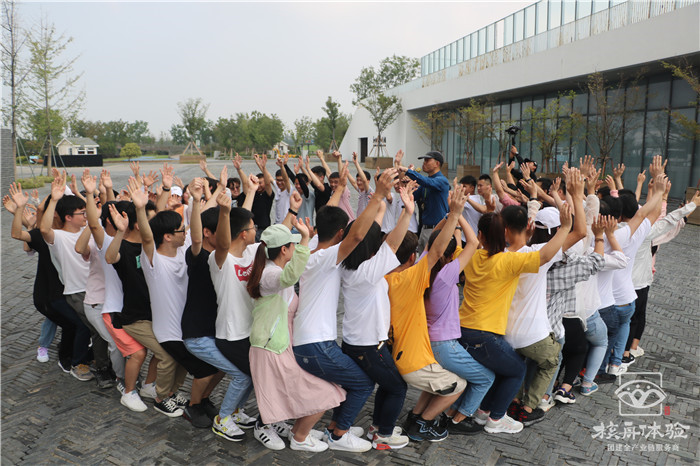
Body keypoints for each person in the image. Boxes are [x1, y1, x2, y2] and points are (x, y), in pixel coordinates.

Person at [293, 166, 397, 453]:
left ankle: (334, 427)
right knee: (363, 383)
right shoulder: (326, 257)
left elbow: (334, 219)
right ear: (340, 233)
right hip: (316, 345)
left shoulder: (312, 247)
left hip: (311, 341)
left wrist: (339, 190)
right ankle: (338, 435)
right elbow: (356, 237)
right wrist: (378, 195)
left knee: (347, 381)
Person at [458, 202, 572, 434]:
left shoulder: (472, 256)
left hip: (464, 329)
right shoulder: (506, 261)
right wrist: (566, 226)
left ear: (481, 236)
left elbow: (468, 242)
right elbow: (545, 256)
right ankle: (496, 418)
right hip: (486, 334)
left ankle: (483, 411)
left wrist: (455, 215)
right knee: (517, 370)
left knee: (503, 368)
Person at [246, 221, 344, 453]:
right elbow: (290, 276)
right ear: (284, 249)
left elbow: (304, 262)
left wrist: (308, 238)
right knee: (320, 392)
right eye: (293, 245)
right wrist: (305, 239)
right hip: (270, 347)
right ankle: (277, 430)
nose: (296, 248)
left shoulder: (275, 269)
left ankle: (285, 428)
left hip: (280, 345)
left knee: (282, 392)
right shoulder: (271, 274)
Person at [386, 187, 470, 442]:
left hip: (402, 356)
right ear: (412, 257)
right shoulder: (410, 279)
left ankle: (415, 417)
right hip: (414, 363)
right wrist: (455, 214)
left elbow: (431, 249)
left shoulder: (387, 277)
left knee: (438, 382)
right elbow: (435, 252)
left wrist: (449, 216)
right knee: (459, 385)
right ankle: (422, 425)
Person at [338, 182, 417, 450]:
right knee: (397, 387)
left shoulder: (348, 266)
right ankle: (383, 435)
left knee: (378, 384)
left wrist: (380, 204)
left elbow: (369, 233)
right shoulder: (368, 272)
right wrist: (407, 212)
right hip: (369, 346)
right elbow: (393, 243)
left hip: (355, 341)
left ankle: (375, 426)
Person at [182, 176, 258, 440]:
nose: (227, 234)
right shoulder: (200, 255)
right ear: (209, 232)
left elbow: (239, 226)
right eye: (221, 229)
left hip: (218, 330)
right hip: (198, 333)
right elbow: (197, 237)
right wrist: (195, 201)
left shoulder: (231, 253)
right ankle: (195, 407)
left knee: (231, 371)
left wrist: (251, 192)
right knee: (233, 373)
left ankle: (217, 406)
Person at [424, 211, 494, 436]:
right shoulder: (446, 275)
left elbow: (434, 237)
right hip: (444, 345)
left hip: (429, 340)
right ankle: (459, 419)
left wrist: (449, 218)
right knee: (486, 378)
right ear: (448, 256)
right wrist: (457, 214)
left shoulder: (423, 265)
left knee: (460, 378)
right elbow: (473, 242)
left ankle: (448, 413)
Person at [8, 183, 77, 372]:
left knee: (77, 325)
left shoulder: (79, 232)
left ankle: (77, 355)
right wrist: (20, 209)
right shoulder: (44, 235)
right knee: (71, 324)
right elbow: (18, 234)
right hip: (49, 295)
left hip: (72, 292)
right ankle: (64, 357)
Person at [40, 173, 101, 382]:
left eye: (85, 212)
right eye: (81, 213)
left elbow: (95, 218)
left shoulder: (89, 230)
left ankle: (94, 359)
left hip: (96, 288)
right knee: (85, 326)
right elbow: (44, 228)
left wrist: (88, 194)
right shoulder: (58, 237)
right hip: (76, 290)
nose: (85, 216)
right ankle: (78, 363)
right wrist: (54, 200)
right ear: (68, 217)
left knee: (97, 328)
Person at [398, 150, 450, 253]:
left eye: (427, 160)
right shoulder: (427, 183)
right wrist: (407, 186)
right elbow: (412, 197)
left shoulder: (441, 180)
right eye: (424, 160)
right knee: (422, 261)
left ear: (437, 163)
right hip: (424, 229)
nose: (424, 163)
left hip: (436, 229)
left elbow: (426, 182)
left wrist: (408, 171)